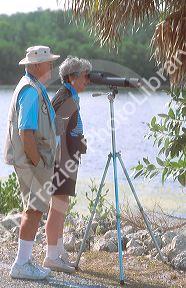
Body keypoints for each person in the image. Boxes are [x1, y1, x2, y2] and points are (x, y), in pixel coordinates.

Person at [4, 45, 65, 280]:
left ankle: (24, 262)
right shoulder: (30, 91)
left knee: (34, 209)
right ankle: (21, 264)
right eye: (48, 62)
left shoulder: (33, 86)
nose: (51, 66)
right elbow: (26, 132)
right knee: (33, 210)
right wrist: (39, 162)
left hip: (32, 161)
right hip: (32, 163)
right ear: (37, 65)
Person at [43, 56, 92, 271]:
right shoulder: (64, 98)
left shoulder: (69, 95)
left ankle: (59, 251)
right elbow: (57, 132)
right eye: (85, 76)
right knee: (58, 207)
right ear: (72, 77)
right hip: (60, 161)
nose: (88, 81)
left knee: (61, 205)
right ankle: (51, 256)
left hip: (66, 159)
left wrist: (78, 142)